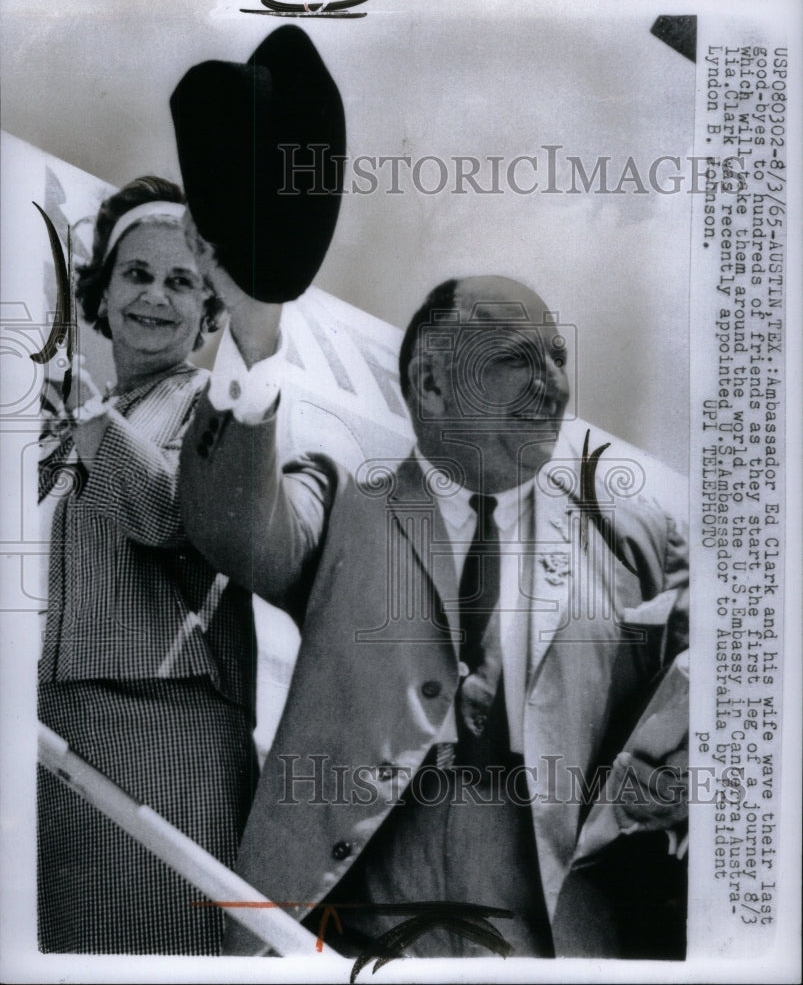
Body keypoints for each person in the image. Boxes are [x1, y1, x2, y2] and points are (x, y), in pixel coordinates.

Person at [179, 269, 690, 959]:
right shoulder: (345, 502)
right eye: (516, 358)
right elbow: (234, 526)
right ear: (430, 384)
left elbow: (717, 702)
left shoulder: (641, 540)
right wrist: (252, 336)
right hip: (347, 932)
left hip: (552, 941)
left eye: (558, 358)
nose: (553, 383)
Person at [37, 176, 257, 955]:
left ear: (208, 311)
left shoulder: (217, 406)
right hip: (58, 721)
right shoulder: (70, 420)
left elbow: (170, 517)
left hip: (166, 732)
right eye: (136, 275)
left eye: (180, 281)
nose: (155, 298)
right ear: (103, 289)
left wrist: (89, 416)